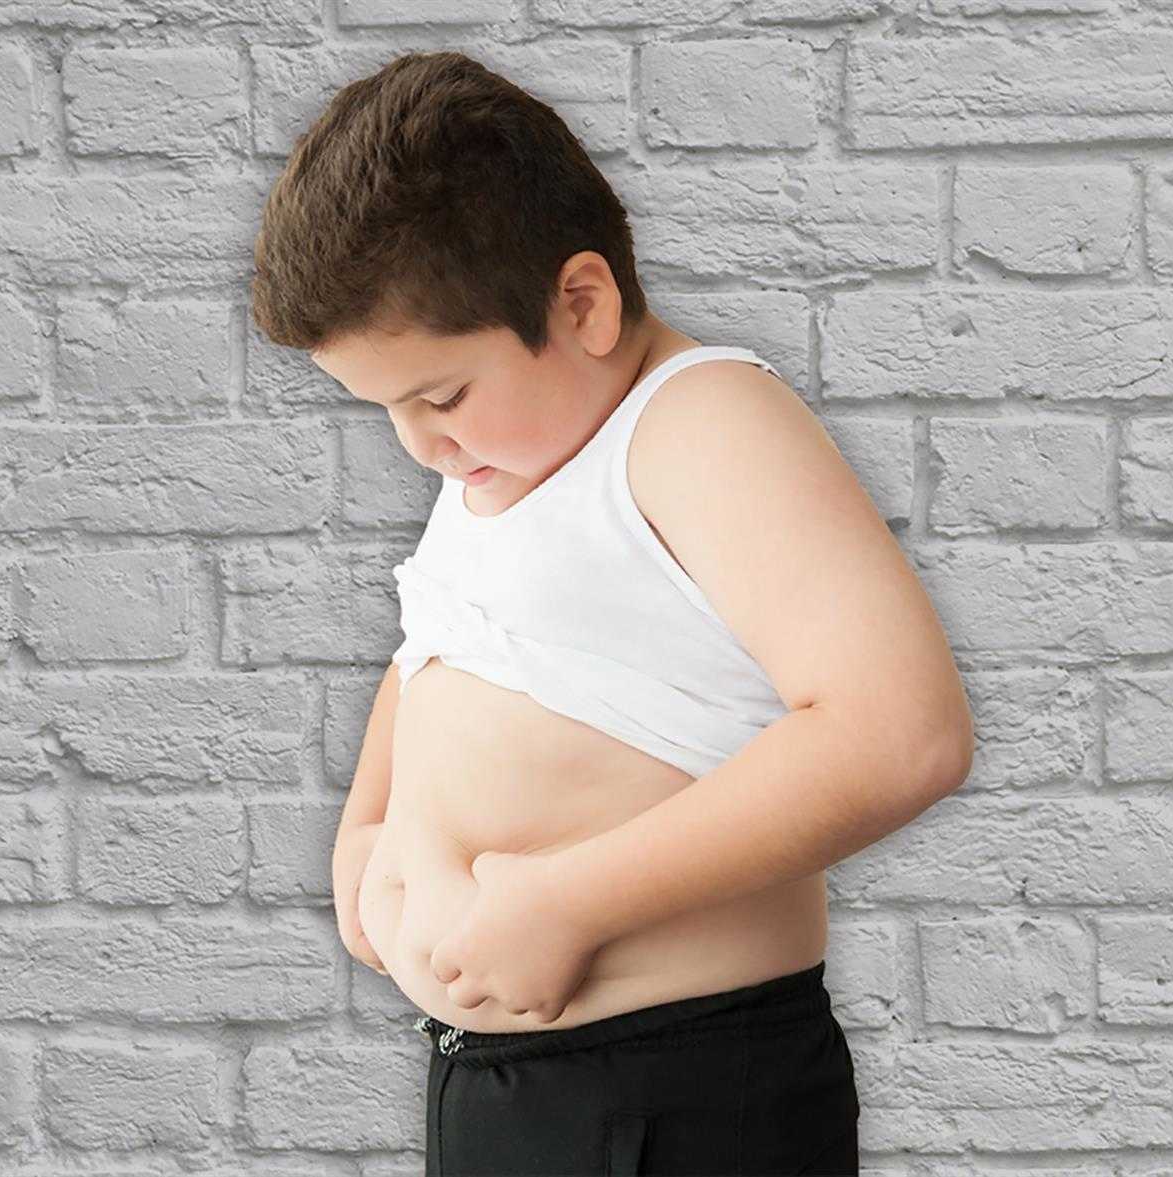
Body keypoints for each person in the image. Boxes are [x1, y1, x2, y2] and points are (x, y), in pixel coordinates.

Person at [250, 50, 974, 1177]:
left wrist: (567, 903)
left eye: (440, 395)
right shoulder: (515, 452)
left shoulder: (699, 425)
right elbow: (442, 643)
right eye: (386, 409)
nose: (421, 445)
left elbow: (900, 733)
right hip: (502, 1089)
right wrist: (367, 831)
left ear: (582, 303)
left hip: (671, 1093)